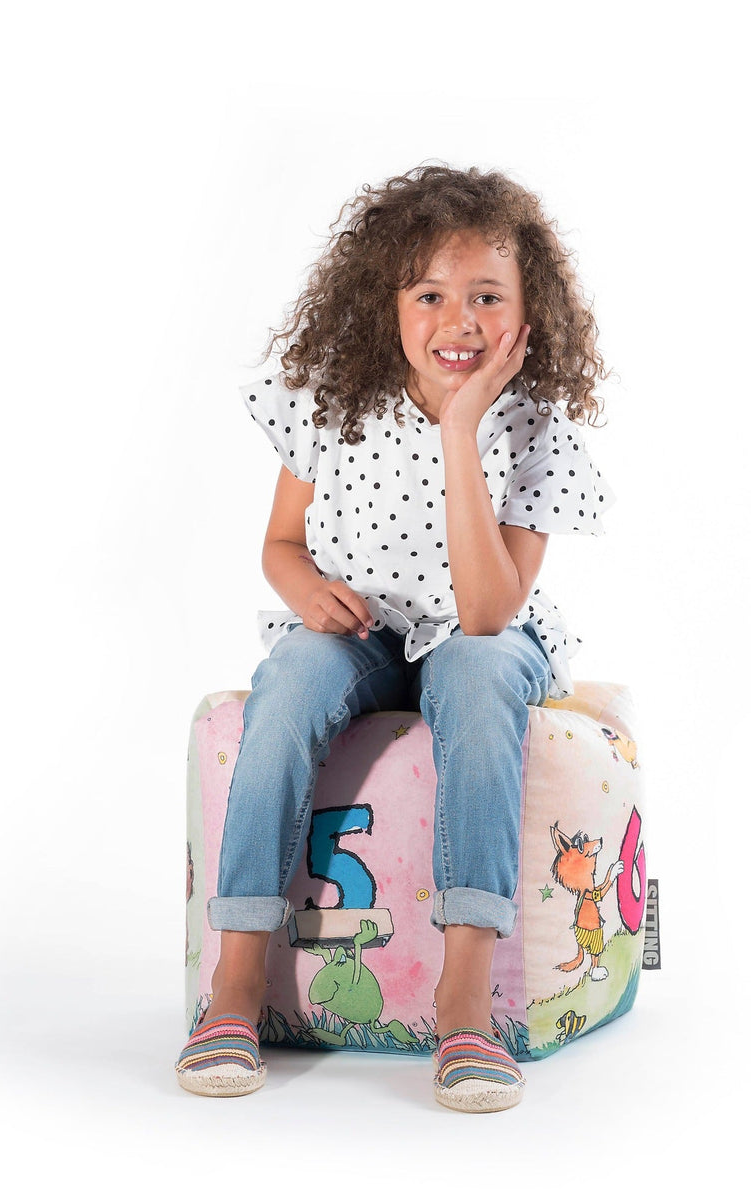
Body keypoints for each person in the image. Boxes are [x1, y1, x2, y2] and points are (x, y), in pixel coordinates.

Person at [175, 164, 612, 1113]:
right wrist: (309, 592)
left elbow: (491, 611)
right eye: (431, 295)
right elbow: (282, 543)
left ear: (529, 313)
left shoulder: (537, 427)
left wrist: (463, 430)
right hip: (362, 632)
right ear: (389, 304)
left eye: (487, 297)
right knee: (289, 676)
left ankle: (466, 999)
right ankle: (236, 979)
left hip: (480, 636)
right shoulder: (334, 404)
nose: (459, 320)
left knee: (477, 669)